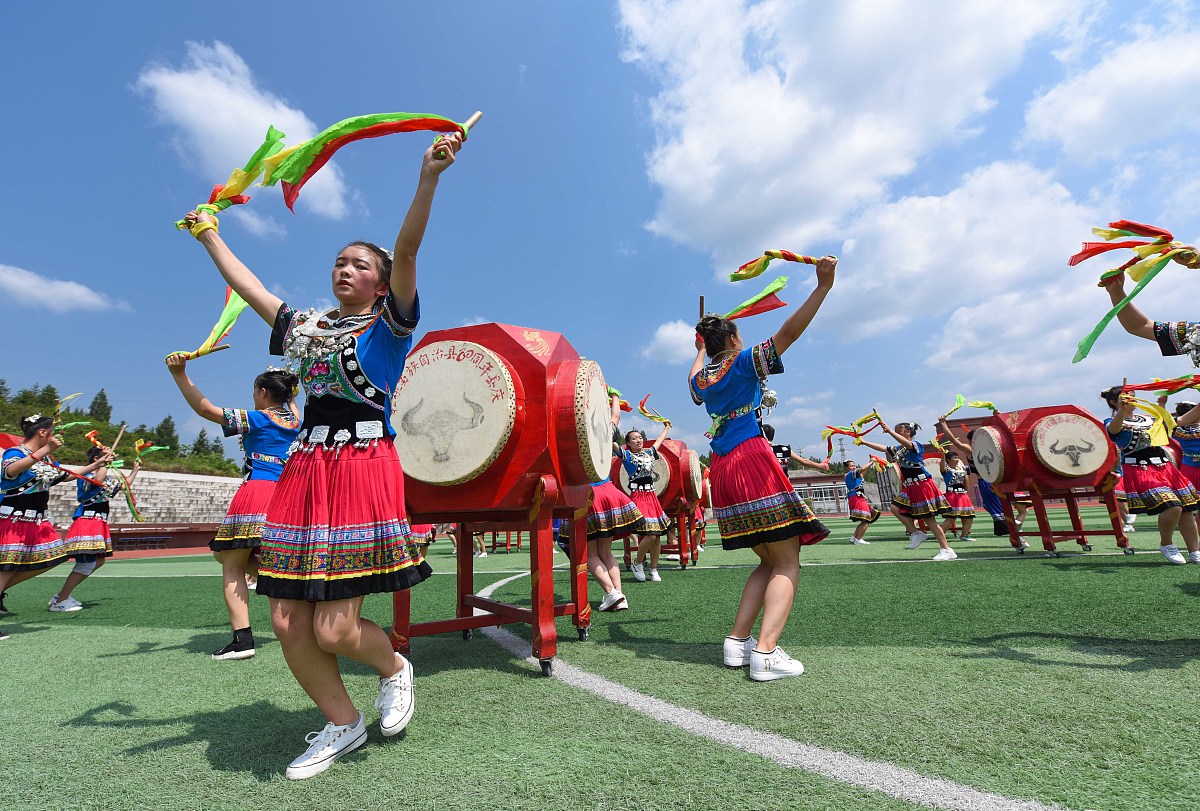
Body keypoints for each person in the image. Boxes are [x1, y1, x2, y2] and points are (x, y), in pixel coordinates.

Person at [181, 130, 464, 778]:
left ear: (383, 282)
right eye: (339, 261)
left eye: (361, 264)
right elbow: (251, 290)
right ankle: (343, 722)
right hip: (306, 473)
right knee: (285, 619)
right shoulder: (307, 330)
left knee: (335, 628)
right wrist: (208, 234)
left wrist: (428, 178)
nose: (346, 269)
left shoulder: (390, 328)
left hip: (362, 470)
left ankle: (394, 666)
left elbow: (410, 248)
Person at [690, 257, 834, 682]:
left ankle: (738, 641)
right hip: (752, 458)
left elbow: (696, 371)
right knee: (788, 560)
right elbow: (788, 333)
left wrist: (700, 349)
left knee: (768, 561)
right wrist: (822, 288)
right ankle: (766, 653)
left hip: (723, 469)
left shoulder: (702, 381)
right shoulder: (744, 360)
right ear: (733, 337)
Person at [166, 355, 301, 660]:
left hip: (256, 493)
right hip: (286, 497)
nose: (253, 396)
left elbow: (205, 409)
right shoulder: (295, 422)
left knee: (231, 563)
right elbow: (293, 402)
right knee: (227, 555)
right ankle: (285, 600)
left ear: (263, 393)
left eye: (255, 391)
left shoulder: (259, 418)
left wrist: (179, 374)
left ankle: (243, 639)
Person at [1, 415, 111, 638]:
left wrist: (98, 463)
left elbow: (66, 477)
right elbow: (10, 472)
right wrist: (45, 450)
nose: (56, 438)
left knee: (51, 559)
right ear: (43, 433)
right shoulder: (15, 453)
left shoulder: (47, 460)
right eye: (53, 433)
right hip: (14, 520)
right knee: (6, 568)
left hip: (36, 522)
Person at [1101, 386, 1200, 564]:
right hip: (1141, 469)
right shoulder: (1112, 421)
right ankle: (1166, 543)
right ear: (1113, 402)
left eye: (1132, 395)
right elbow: (1114, 431)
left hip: (1166, 467)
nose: (1130, 398)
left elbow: (1180, 421)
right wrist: (1122, 410)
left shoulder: (1148, 418)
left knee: (1186, 510)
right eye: (1125, 396)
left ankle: (1195, 551)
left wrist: (1162, 406)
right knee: (1173, 507)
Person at [50, 444, 141, 612]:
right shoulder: (87, 476)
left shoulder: (103, 477)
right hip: (87, 523)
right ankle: (61, 600)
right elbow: (97, 480)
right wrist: (104, 463)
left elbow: (123, 486)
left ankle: (62, 595)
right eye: (106, 455)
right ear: (96, 459)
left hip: (98, 523)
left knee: (98, 561)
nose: (111, 456)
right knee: (85, 564)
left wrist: (135, 470)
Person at [858, 421, 956, 560]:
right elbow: (884, 448)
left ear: (908, 432)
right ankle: (916, 533)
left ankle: (946, 549)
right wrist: (864, 442)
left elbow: (907, 444)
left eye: (900, 431)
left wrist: (890, 432)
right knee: (894, 508)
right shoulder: (899, 449)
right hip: (910, 486)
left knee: (929, 519)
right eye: (896, 431)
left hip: (922, 484)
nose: (897, 433)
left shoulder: (916, 445)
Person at [585, 395, 642, 611]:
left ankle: (610, 592)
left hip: (588, 495)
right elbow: (616, 415)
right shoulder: (606, 430)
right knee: (607, 552)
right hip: (609, 491)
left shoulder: (576, 430)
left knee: (590, 554)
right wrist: (614, 396)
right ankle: (620, 595)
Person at [618, 425, 671, 583]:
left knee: (657, 536)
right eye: (634, 438)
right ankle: (637, 563)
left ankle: (653, 569)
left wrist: (666, 428)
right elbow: (612, 444)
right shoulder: (626, 456)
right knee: (651, 534)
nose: (638, 440)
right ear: (628, 443)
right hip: (638, 497)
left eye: (640, 437)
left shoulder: (649, 453)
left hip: (652, 496)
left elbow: (659, 442)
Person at [939, 451, 976, 542]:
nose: (957, 459)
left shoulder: (961, 468)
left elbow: (966, 477)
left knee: (969, 516)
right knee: (951, 518)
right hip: (952, 495)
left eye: (957, 457)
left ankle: (964, 535)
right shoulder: (946, 470)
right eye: (954, 457)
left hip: (962, 495)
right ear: (948, 460)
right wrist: (943, 455)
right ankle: (940, 536)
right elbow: (942, 467)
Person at [841, 460, 878, 544]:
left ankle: (854, 537)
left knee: (864, 520)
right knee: (866, 519)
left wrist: (869, 462)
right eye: (851, 466)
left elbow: (863, 472)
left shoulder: (853, 476)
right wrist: (872, 461)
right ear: (846, 468)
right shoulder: (850, 474)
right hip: (857, 497)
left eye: (854, 466)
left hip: (857, 497)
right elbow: (862, 469)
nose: (854, 467)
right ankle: (859, 539)